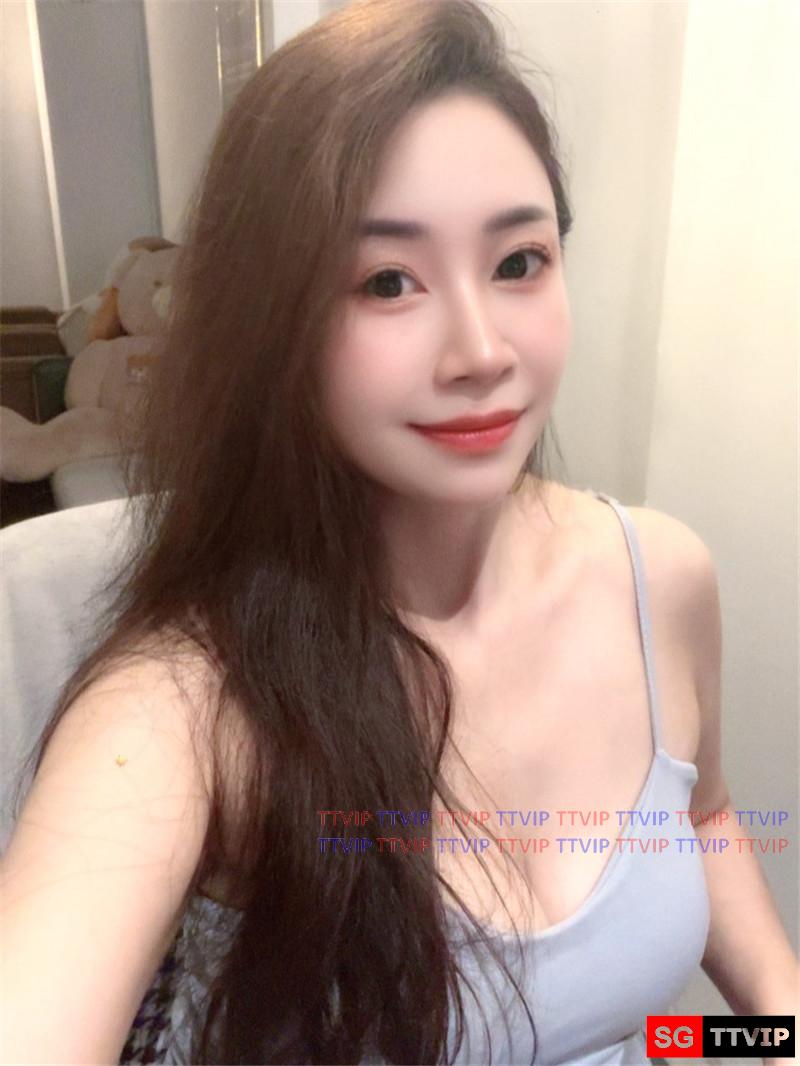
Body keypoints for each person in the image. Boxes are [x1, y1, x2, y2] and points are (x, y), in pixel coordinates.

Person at [1, 0, 797, 1063]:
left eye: (518, 261)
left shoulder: (661, 577)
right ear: (273, 325)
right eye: (387, 281)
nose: (480, 350)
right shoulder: (190, 702)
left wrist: (767, 1032)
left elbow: (699, 817)